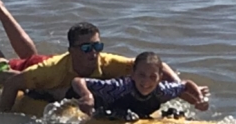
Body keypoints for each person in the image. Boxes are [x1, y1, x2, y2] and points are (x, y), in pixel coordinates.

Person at [70, 50, 210, 119]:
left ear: (160, 78)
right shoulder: (118, 87)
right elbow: (78, 81)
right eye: (141, 75)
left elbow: (186, 85)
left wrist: (199, 98)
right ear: (133, 74)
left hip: (137, 114)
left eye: (152, 77)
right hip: (103, 109)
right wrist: (87, 96)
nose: (146, 81)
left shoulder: (162, 90)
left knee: (176, 114)